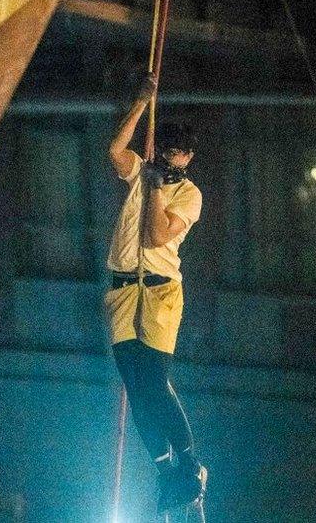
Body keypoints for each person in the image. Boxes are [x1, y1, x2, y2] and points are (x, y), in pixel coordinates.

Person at [104, 72, 206, 512]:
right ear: (160, 149)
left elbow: (158, 235)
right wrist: (141, 102)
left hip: (162, 291)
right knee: (133, 381)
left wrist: (161, 188)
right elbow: (114, 151)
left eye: (181, 152)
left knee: (154, 382)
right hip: (123, 287)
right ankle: (165, 467)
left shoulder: (189, 194)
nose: (173, 156)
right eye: (168, 149)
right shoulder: (141, 174)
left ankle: (190, 463)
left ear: (189, 157)